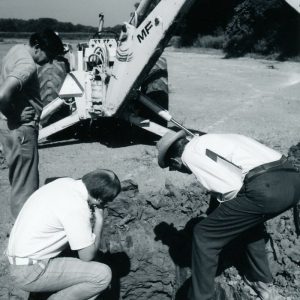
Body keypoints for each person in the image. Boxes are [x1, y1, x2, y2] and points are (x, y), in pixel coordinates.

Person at [157, 130, 300, 300]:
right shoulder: (208, 140)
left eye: (173, 167)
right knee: (248, 222)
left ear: (175, 160)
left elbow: (233, 188)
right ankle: (262, 282)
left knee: (204, 234)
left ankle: (201, 297)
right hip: (292, 181)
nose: (176, 170)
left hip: (267, 189)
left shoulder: (189, 155)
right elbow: (234, 175)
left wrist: (219, 215)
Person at [6, 168, 121, 300]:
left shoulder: (64, 182)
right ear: (100, 200)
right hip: (29, 271)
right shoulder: (77, 206)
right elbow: (87, 256)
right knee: (102, 275)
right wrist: (99, 220)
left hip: (18, 260)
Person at [0, 28, 65, 217]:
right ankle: (24, 236)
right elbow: (3, 94)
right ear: (37, 47)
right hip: (21, 131)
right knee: (26, 189)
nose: (50, 61)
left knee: (19, 182)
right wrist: (15, 115)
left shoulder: (16, 51)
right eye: (49, 55)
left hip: (9, 130)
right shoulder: (27, 65)